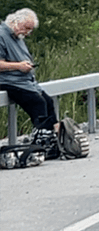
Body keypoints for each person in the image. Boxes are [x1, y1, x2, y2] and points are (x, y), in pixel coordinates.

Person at [0, 9, 60, 154]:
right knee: (37, 102)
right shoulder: (2, 35)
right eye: (26, 28)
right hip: (9, 80)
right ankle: (42, 143)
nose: (27, 33)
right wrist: (19, 66)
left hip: (25, 80)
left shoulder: (17, 36)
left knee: (48, 102)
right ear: (15, 22)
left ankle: (55, 139)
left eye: (30, 30)